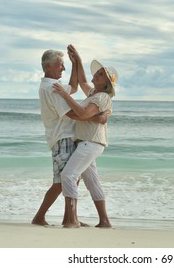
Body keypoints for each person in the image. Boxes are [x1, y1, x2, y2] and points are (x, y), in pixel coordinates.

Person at [31, 47, 108, 226]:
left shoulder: (52, 86)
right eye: (61, 65)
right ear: (49, 66)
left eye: (64, 65)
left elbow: (73, 87)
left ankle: (71, 217)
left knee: (70, 178)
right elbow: (72, 114)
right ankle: (42, 217)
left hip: (67, 136)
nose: (63, 69)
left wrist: (75, 64)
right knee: (62, 181)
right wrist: (98, 118)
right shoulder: (52, 88)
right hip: (62, 137)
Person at [52, 45, 117, 228]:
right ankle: (104, 221)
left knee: (68, 175)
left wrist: (65, 95)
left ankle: (71, 220)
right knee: (91, 181)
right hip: (87, 143)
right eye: (97, 72)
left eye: (101, 74)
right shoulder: (93, 93)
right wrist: (77, 60)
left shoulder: (103, 97)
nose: (96, 75)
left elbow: (81, 113)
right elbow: (81, 80)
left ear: (107, 83)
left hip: (91, 143)